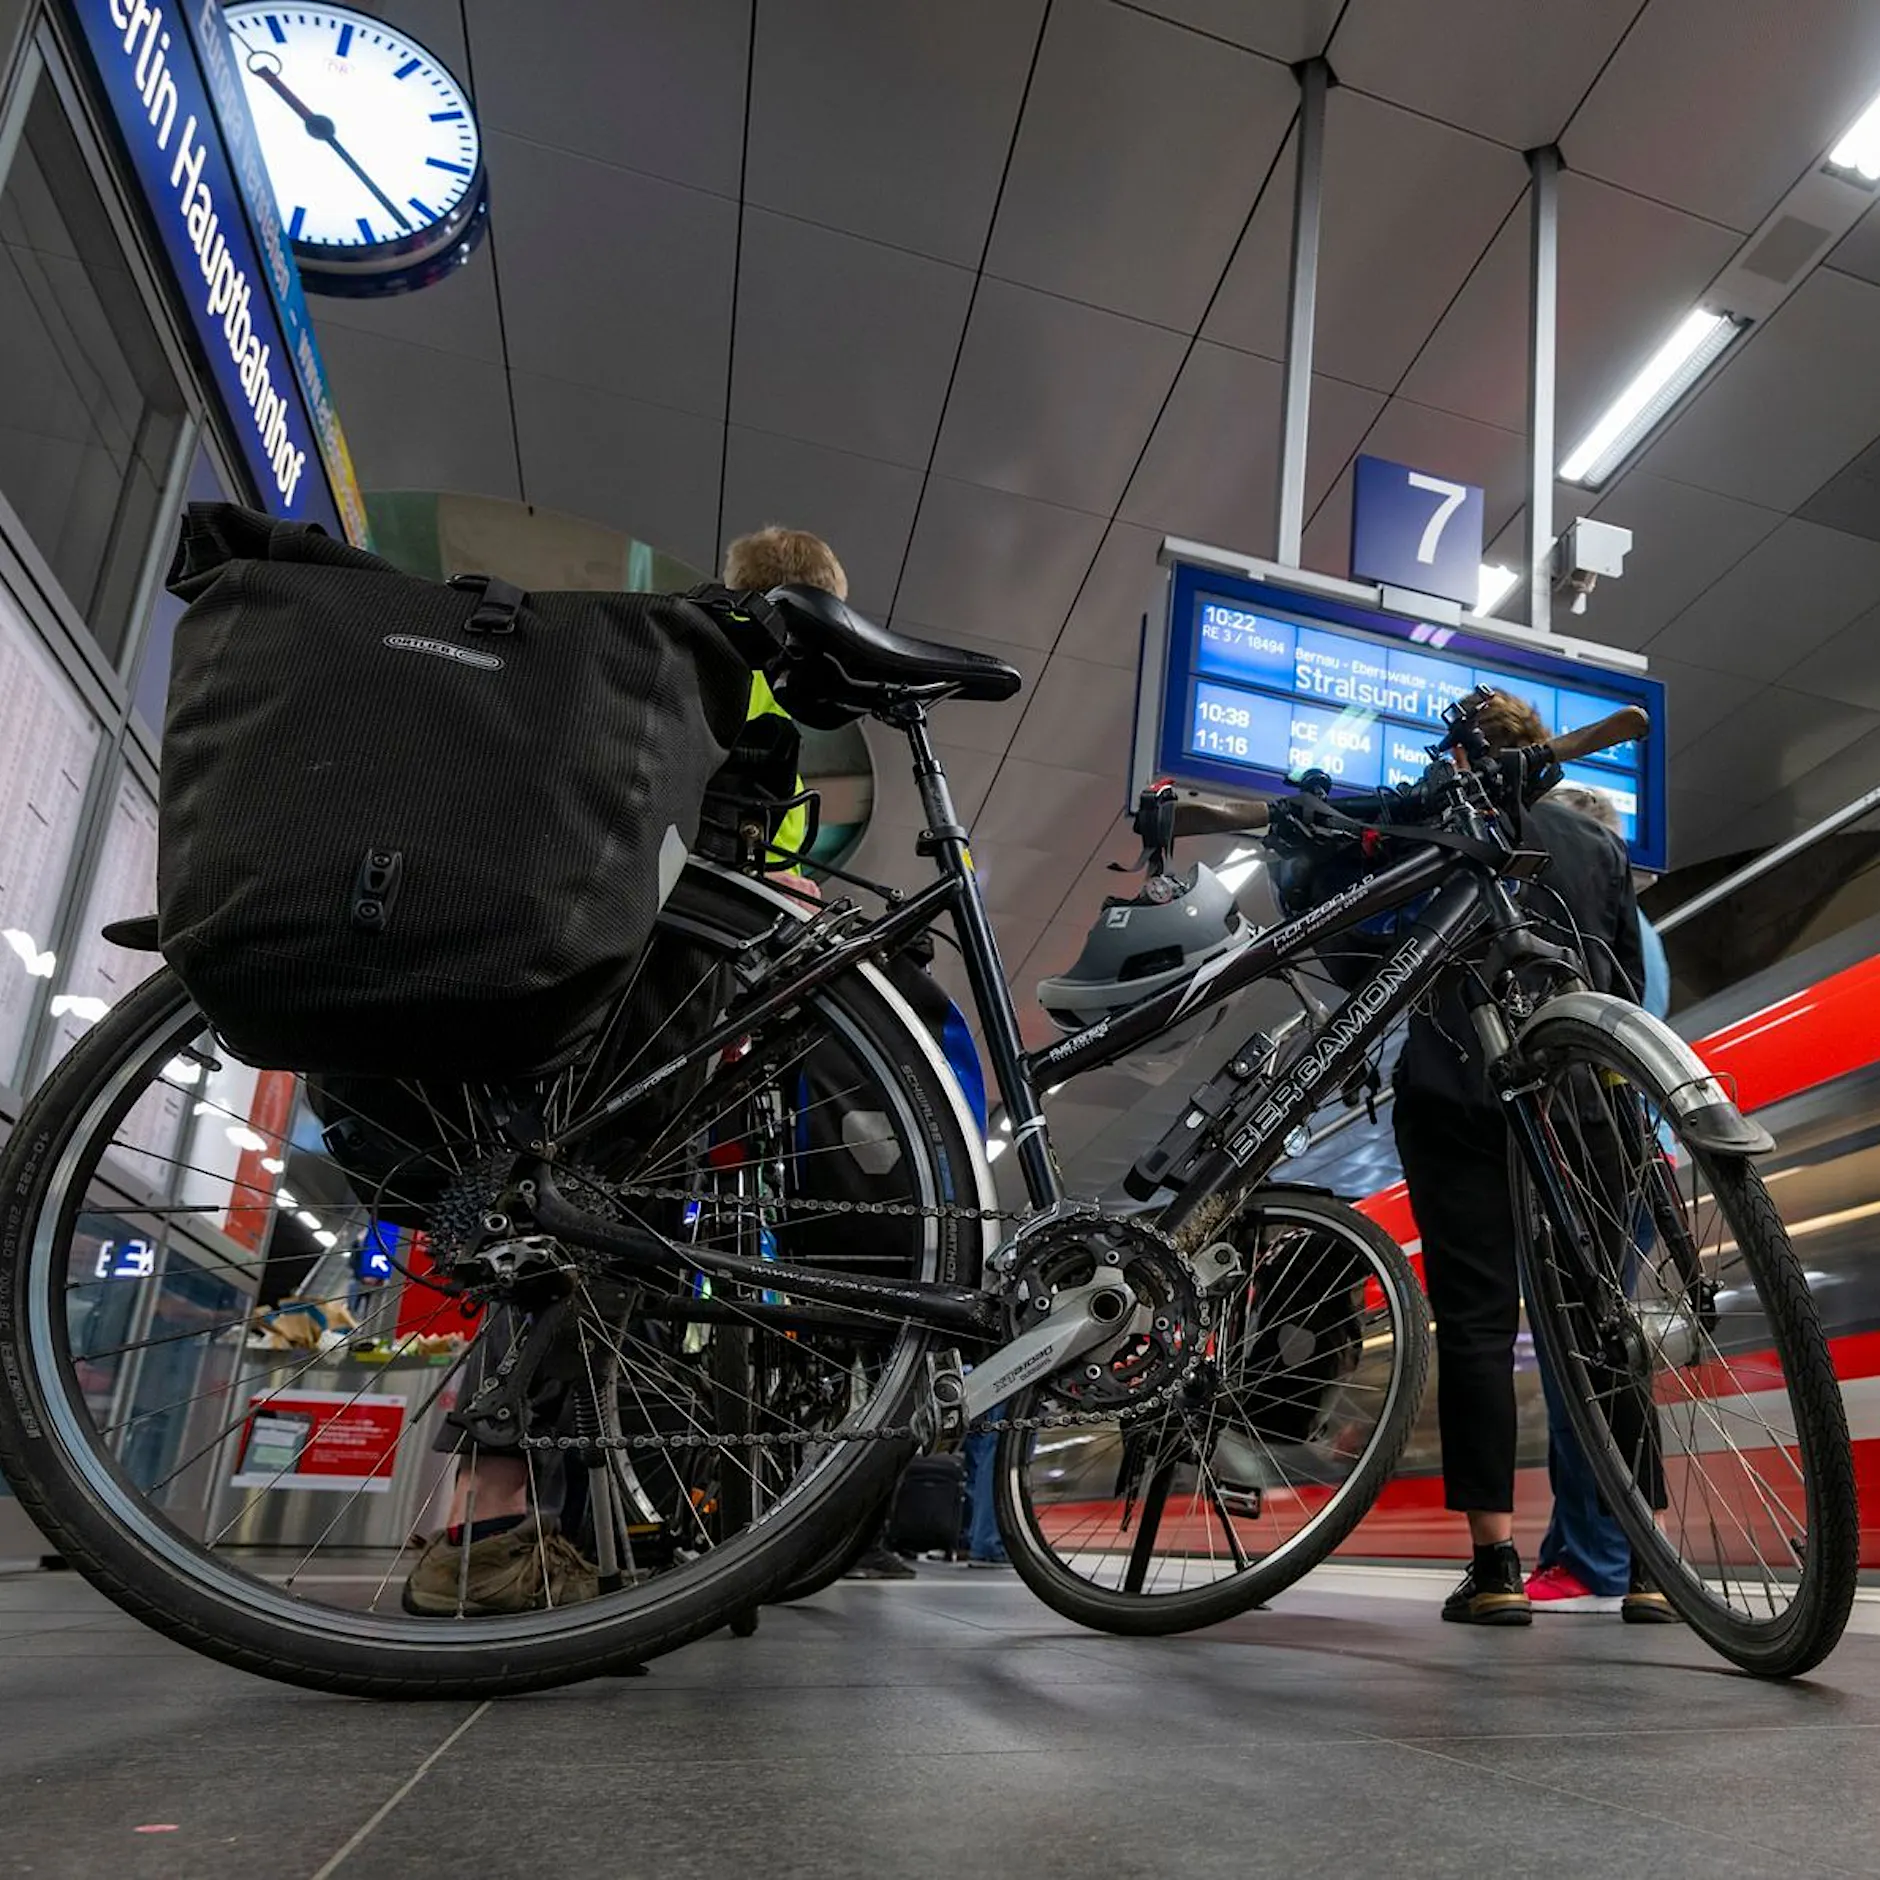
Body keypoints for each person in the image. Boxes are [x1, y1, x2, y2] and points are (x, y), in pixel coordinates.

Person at [1389, 692, 1646, 1627]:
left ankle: (1495, 1565)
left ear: (1460, 758)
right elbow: (1622, 986)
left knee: (1477, 1328)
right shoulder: (1598, 847)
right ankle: (1651, 1566)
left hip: (1457, 1094)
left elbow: (1374, 962)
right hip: (1581, 1102)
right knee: (1606, 1322)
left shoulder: (1433, 823)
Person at [1521, 785, 1677, 1623]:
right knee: (1594, 1346)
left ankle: (1598, 1557)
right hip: (1635, 1143)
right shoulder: (1638, 929)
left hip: (1589, 1139)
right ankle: (1578, 1544)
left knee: (1580, 1357)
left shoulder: (1580, 919)